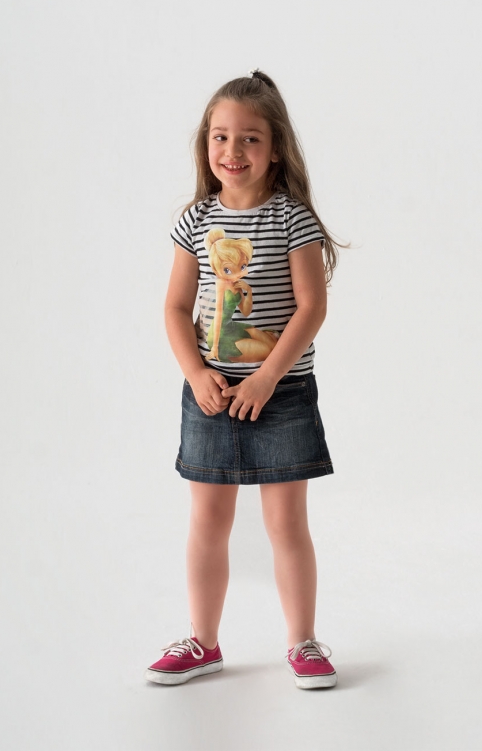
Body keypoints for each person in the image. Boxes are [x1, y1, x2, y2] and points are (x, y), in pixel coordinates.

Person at [144, 69, 344, 690]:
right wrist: (195, 372)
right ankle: (203, 642)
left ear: (276, 148)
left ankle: (303, 641)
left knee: (286, 524)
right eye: (221, 137)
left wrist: (265, 379)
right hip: (210, 394)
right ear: (206, 144)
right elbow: (176, 308)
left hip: (280, 394)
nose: (233, 151)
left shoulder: (291, 220)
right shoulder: (195, 221)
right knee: (208, 522)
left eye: (250, 139)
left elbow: (311, 306)